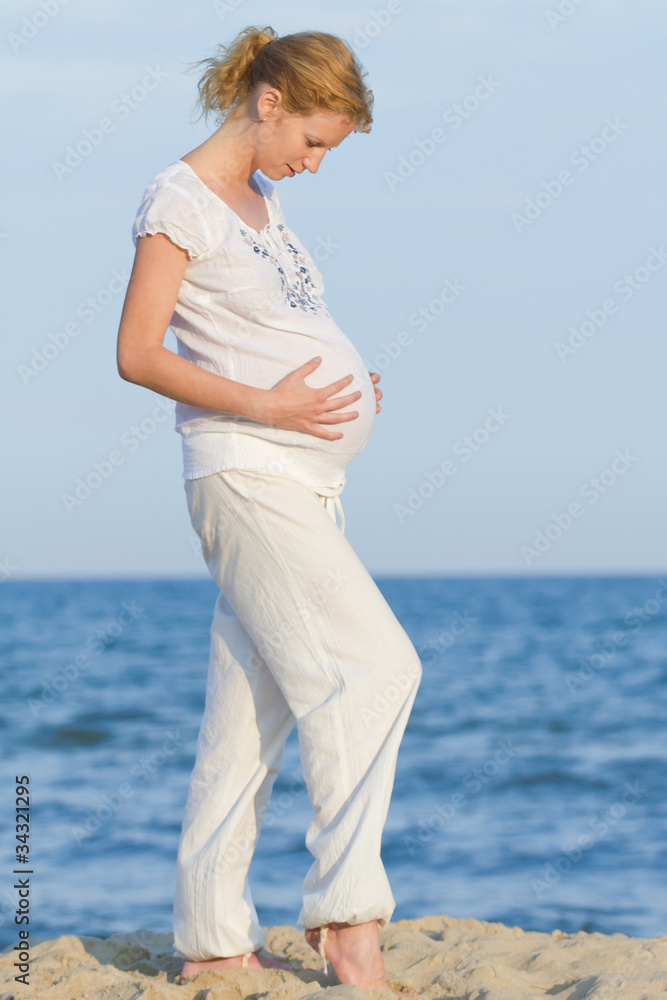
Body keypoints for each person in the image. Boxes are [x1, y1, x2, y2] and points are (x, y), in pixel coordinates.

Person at [116, 24, 422, 992]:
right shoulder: (180, 201)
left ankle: (210, 937)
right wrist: (276, 404)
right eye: (314, 140)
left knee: (248, 714)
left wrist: (343, 385)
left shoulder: (264, 200)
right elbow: (137, 352)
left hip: (302, 479)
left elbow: (269, 327)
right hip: (245, 473)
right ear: (268, 101)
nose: (316, 161)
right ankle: (347, 922)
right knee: (377, 668)